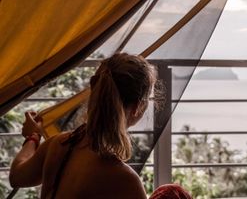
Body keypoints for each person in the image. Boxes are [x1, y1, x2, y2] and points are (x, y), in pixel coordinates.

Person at [9, 53, 157, 199]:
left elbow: (17, 176)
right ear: (138, 107)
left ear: (94, 88)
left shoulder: (57, 145)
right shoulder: (126, 180)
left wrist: (33, 136)